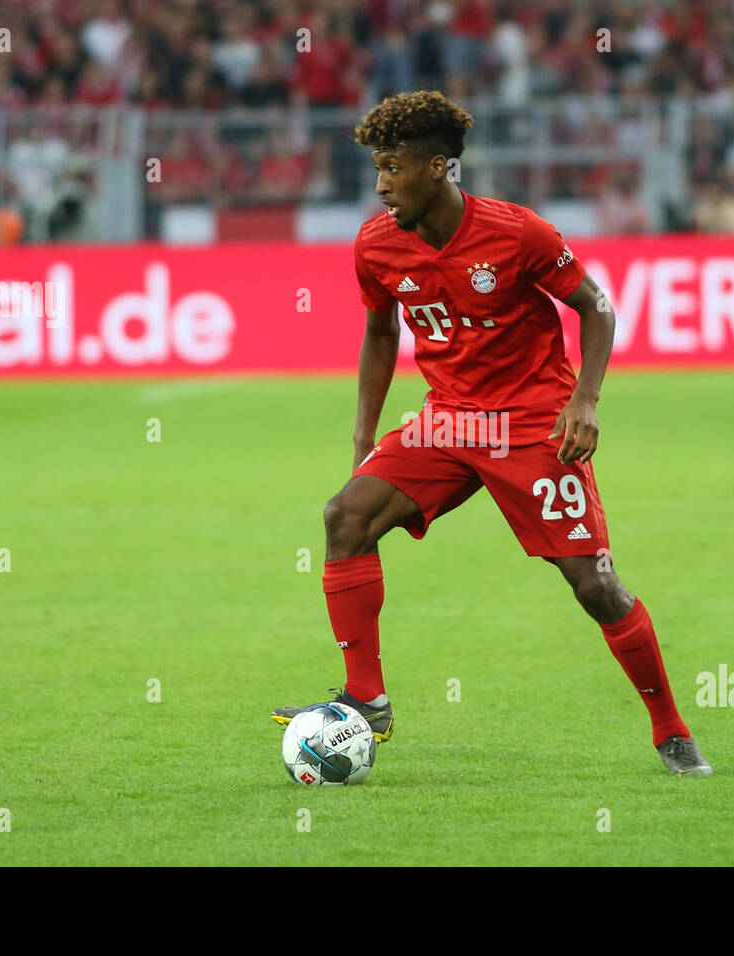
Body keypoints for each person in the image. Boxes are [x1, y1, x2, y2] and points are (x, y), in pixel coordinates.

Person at [271, 90, 711, 777]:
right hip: (446, 421)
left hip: (534, 424)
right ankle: (368, 698)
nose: (381, 183)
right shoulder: (376, 243)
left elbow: (594, 306)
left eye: (393, 167)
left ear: (439, 167)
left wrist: (585, 400)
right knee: (344, 518)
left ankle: (671, 729)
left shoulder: (517, 233)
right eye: (377, 168)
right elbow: (380, 331)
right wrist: (364, 439)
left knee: (595, 585)